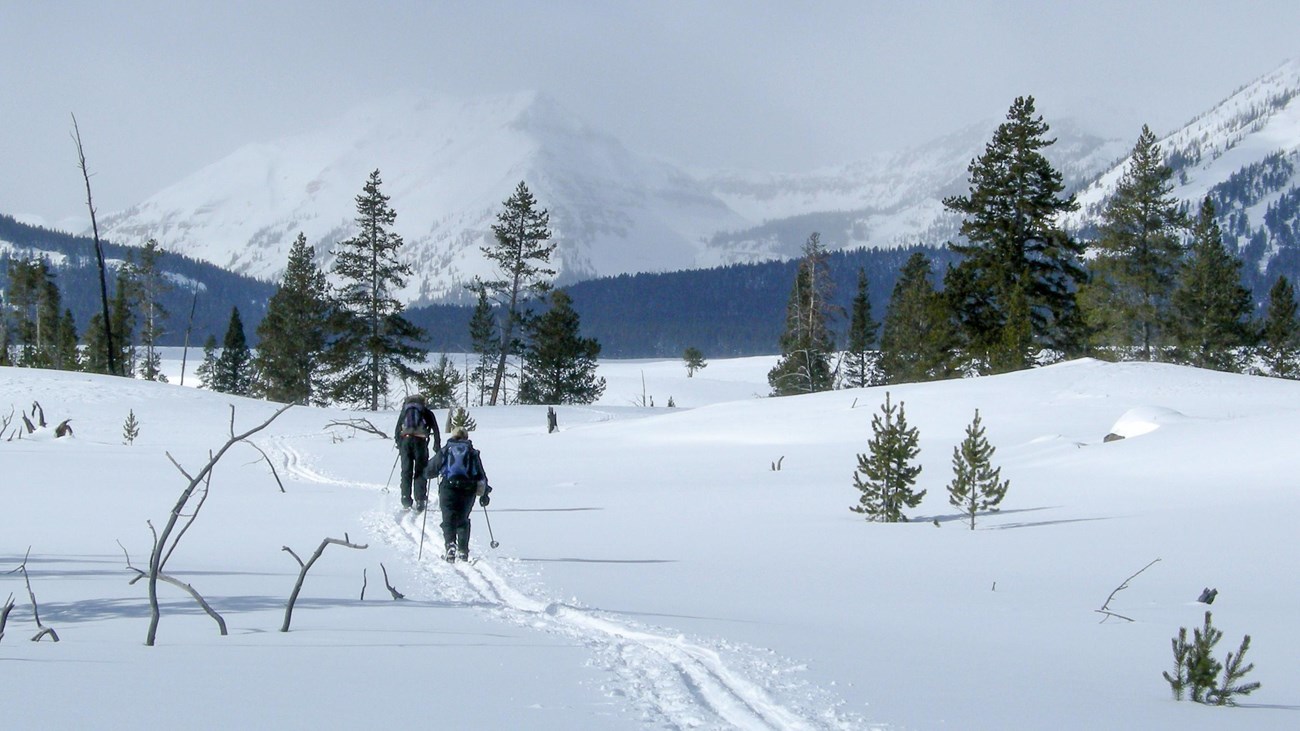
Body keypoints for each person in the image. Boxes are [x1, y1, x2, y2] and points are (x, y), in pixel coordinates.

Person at [425, 426, 490, 562]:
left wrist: (426, 473)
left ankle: (450, 546)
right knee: (463, 519)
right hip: (468, 489)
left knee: (448, 518)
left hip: (448, 487)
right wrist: (485, 494)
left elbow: (430, 470)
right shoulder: (472, 452)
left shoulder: (446, 450)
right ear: (466, 437)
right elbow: (481, 474)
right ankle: (463, 551)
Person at [393, 394, 440, 511]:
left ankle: (405, 499)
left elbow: (397, 429)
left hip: (406, 442)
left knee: (406, 471)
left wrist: (399, 444)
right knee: (421, 471)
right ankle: (420, 499)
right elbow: (435, 429)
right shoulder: (426, 412)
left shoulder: (405, 411)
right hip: (420, 442)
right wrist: (437, 445)